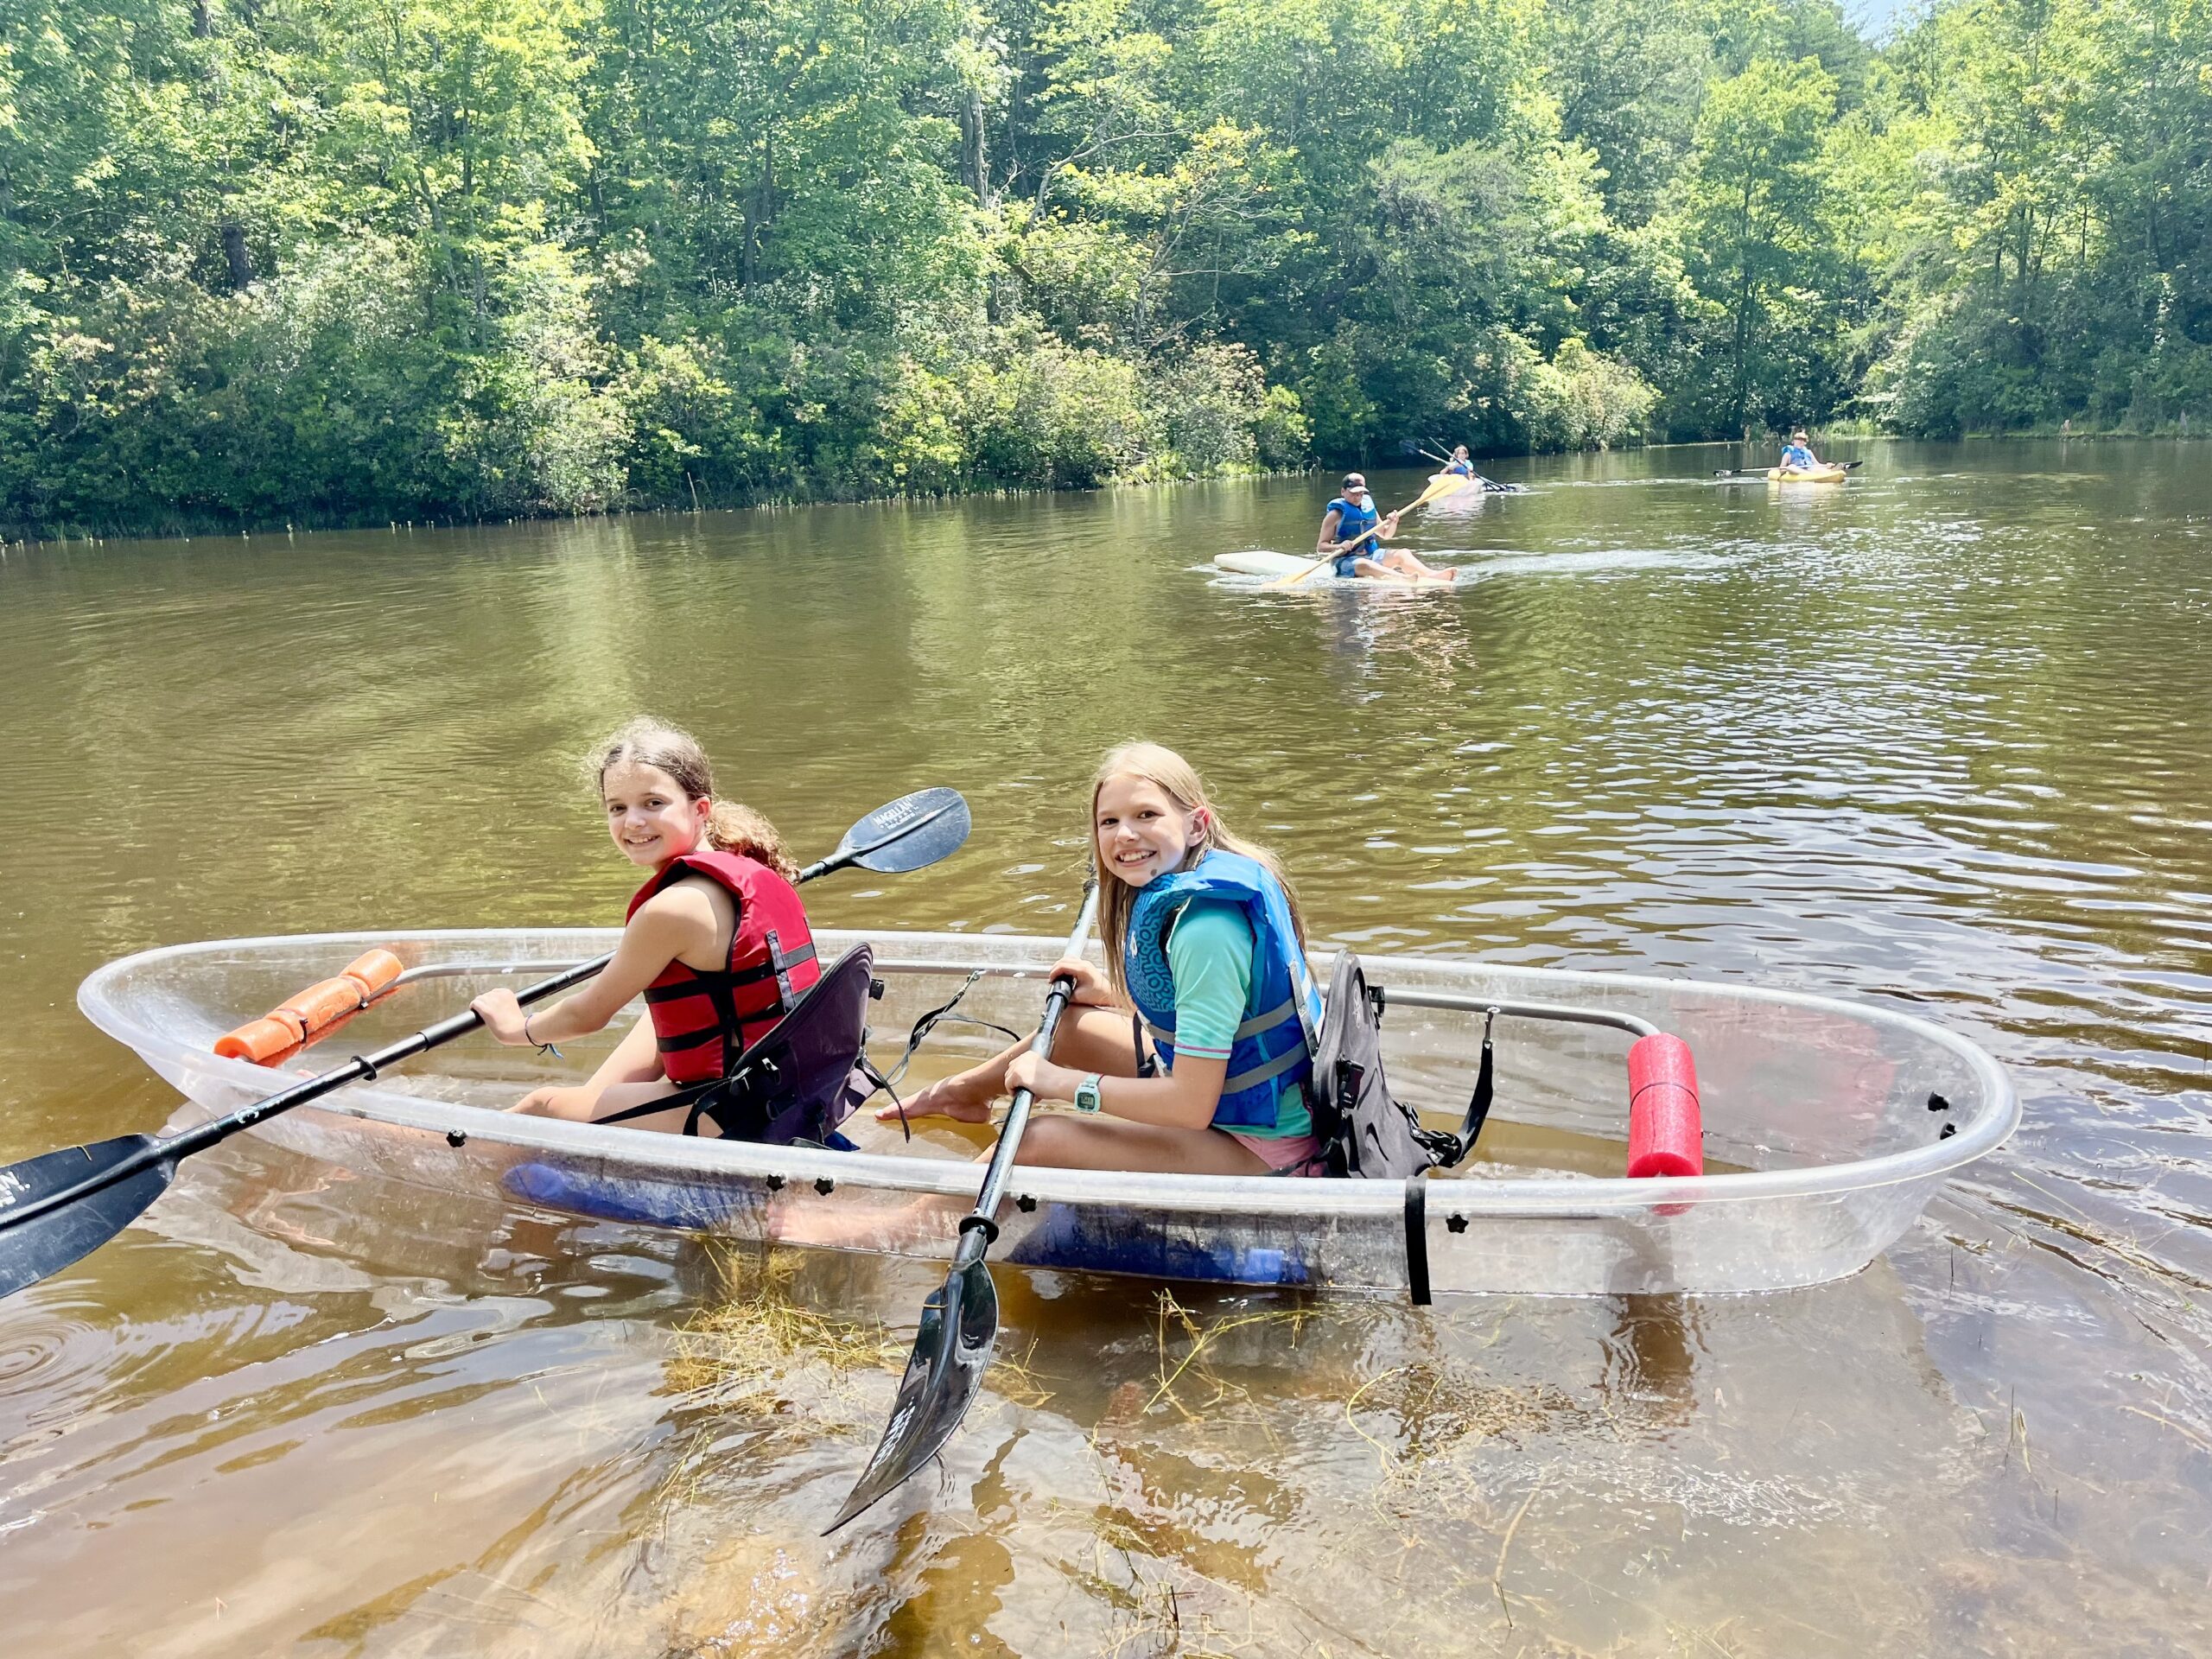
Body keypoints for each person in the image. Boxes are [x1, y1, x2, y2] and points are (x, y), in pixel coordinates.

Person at [883, 742, 1326, 1175]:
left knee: (1038, 1139)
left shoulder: (1207, 931)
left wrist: (1062, 1084)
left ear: (1196, 825)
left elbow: (1190, 1106)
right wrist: (1112, 993)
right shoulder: (1193, 890)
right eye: (1109, 821)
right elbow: (1231, 1012)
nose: (1125, 834)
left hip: (1262, 1146)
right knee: (1072, 1028)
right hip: (1227, 1102)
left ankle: (884, 1219)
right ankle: (962, 1094)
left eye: (1146, 815)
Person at [468, 716, 821, 1135]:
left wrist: (515, 1029)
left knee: (540, 1106)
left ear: (700, 809)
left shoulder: (673, 908)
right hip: (796, 1086)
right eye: (617, 808)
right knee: (652, 1026)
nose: (632, 821)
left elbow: (587, 1015)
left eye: (653, 803)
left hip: (741, 1108)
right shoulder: (752, 869)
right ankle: (588, 1119)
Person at [1317, 473, 1457, 582]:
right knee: (1366, 564)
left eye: (1361, 493)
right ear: (1343, 491)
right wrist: (1340, 546)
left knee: (1403, 553)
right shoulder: (1335, 515)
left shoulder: (1368, 508)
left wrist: (1393, 523)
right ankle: (1403, 579)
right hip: (1345, 561)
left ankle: (1432, 575)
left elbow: (1386, 534)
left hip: (1371, 555)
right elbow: (1321, 547)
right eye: (1354, 493)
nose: (1358, 497)